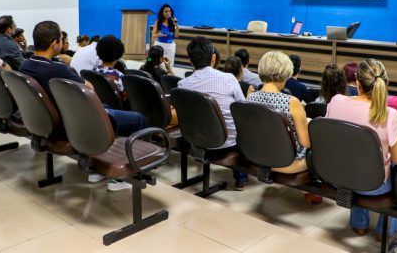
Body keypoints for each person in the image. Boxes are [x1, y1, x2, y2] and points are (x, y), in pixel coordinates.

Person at [19, 21, 146, 192]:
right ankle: (120, 176)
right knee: (138, 119)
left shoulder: (25, 65)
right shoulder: (57, 69)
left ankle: (97, 165)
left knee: (106, 107)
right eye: (61, 39)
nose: (63, 42)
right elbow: (89, 88)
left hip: (50, 120)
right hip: (71, 123)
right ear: (54, 43)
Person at [326, 58, 397, 240]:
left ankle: (359, 225)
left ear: (357, 82)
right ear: (385, 83)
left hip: (338, 176)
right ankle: (385, 233)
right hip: (374, 186)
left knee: (353, 157)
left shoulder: (336, 101)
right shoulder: (390, 115)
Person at [177, 36, 247, 189]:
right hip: (227, 143)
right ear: (213, 58)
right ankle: (241, 178)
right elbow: (243, 108)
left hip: (196, 141)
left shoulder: (182, 85)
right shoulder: (229, 79)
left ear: (190, 60)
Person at [247, 51, 310, 174]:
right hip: (287, 163)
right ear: (285, 73)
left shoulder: (250, 97)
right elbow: (306, 143)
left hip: (257, 158)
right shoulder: (292, 102)